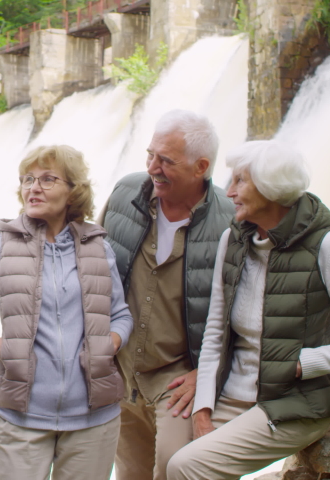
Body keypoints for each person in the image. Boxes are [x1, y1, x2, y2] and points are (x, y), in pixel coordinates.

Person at [166, 140, 330, 479]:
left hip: (293, 405)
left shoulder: (327, 247)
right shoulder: (235, 240)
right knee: (167, 455)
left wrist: (304, 364)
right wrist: (203, 407)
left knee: (187, 465)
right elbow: (215, 332)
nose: (229, 192)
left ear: (271, 188)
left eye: (240, 181)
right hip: (233, 393)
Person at [0, 145, 133, 480]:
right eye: (27, 179)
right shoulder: (0, 246)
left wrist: (109, 345)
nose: (34, 187)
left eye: (47, 179)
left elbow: (122, 315)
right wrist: (4, 349)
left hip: (94, 419)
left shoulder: (99, 248)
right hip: (21, 418)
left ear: (73, 190)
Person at [98, 109, 236, 480]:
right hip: (121, 370)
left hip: (178, 377)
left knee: (175, 467)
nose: (153, 167)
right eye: (150, 155)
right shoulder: (126, 193)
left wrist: (207, 373)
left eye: (166, 160)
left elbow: (245, 311)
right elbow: (92, 269)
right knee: (130, 474)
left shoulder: (231, 220)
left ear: (200, 167)